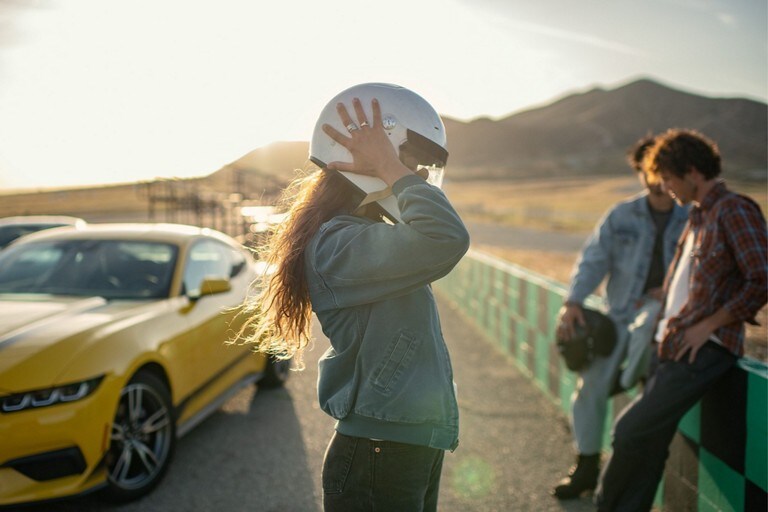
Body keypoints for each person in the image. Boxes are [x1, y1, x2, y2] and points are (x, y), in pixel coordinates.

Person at [235, 83, 470, 511]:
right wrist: (386, 162)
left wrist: (389, 165)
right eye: (410, 160)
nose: (416, 176)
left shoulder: (361, 234)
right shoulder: (338, 244)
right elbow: (447, 238)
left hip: (402, 442)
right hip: (379, 451)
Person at [595, 129, 767, 511]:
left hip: (702, 349)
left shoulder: (734, 209)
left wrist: (709, 325)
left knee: (628, 431)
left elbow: (762, 277)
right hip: (671, 344)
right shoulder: (697, 217)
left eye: (668, 178)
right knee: (650, 445)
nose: (665, 188)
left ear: (692, 171)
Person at [552, 135, 689, 500]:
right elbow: (594, 259)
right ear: (641, 172)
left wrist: (671, 287)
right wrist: (574, 301)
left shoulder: (691, 216)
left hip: (662, 320)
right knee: (588, 390)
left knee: (648, 323)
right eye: (649, 168)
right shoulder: (621, 215)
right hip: (617, 319)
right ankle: (586, 466)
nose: (657, 176)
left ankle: (626, 378)